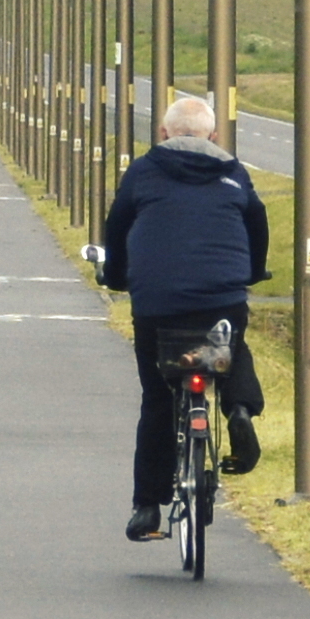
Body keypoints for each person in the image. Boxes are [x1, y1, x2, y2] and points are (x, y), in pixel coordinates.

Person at [92, 91, 271, 540]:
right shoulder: (233, 171)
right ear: (214, 135)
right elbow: (257, 221)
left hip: (158, 302)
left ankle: (148, 508)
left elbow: (117, 227)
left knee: (157, 397)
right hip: (220, 297)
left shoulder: (144, 170)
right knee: (231, 347)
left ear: (162, 133)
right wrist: (250, 271)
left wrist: (115, 276)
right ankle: (241, 411)